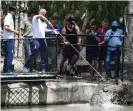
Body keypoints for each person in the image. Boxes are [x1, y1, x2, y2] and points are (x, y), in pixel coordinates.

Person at [23, 9, 57, 73]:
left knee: (44, 54)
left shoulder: (43, 22)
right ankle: (26, 65)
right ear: (41, 13)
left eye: (45, 14)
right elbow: (41, 17)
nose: (45, 15)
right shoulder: (35, 18)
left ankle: (43, 69)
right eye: (44, 14)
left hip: (43, 39)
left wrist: (53, 30)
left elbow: (45, 30)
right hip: (36, 39)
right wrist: (49, 22)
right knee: (35, 50)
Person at [3, 6, 19, 73]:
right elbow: (6, 27)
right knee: (10, 55)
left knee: (8, 55)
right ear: (11, 11)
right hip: (9, 39)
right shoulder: (8, 17)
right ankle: (8, 71)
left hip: (9, 38)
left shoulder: (9, 17)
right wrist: (15, 31)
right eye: (14, 11)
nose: (14, 13)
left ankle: (6, 70)